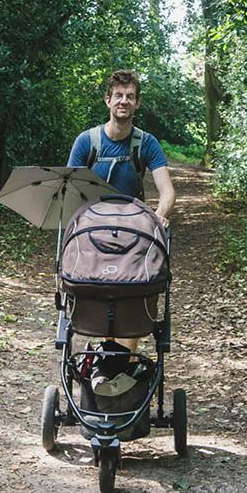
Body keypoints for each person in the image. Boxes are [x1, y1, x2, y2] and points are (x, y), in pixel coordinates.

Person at [66, 69, 175, 355]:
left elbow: (167, 190)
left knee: (132, 289)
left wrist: (160, 213)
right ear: (107, 100)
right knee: (96, 288)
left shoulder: (146, 143)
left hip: (134, 230)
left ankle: (121, 363)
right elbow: (71, 187)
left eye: (129, 97)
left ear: (137, 103)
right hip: (94, 230)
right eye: (118, 96)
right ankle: (107, 359)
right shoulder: (87, 142)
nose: (123, 101)